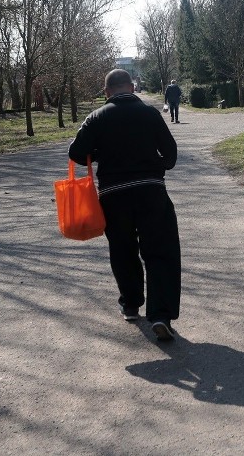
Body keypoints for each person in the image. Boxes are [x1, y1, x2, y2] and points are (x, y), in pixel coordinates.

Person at [68, 69, 181, 341]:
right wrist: (158, 166)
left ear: (106, 92)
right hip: (150, 191)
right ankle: (161, 315)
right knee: (160, 251)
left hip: (113, 194)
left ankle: (131, 304)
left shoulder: (96, 117)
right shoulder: (150, 114)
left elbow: (75, 152)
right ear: (131, 87)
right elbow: (171, 153)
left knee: (122, 249)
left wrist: (98, 153)